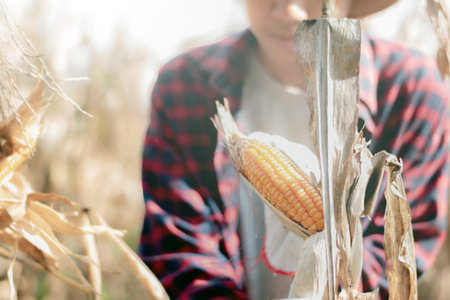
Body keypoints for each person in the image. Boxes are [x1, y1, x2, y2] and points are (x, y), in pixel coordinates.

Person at [138, 0, 449, 299]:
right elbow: (181, 244)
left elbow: (401, 246)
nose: (288, 11)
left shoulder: (412, 90)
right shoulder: (183, 86)